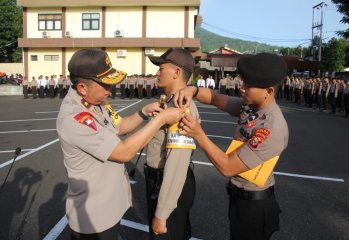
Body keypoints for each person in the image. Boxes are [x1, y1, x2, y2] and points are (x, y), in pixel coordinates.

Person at [56, 49, 184, 240]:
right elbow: (123, 153)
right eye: (105, 85)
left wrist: (144, 112)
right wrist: (161, 119)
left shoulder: (94, 102)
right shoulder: (75, 118)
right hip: (94, 217)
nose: (110, 90)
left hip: (108, 205)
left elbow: (120, 126)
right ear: (82, 87)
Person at [173, 53, 289, 240]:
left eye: (248, 85)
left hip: (254, 208)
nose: (242, 89)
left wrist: (198, 134)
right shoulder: (253, 107)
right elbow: (217, 99)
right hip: (239, 198)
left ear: (269, 91)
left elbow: (227, 166)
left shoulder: (271, 128)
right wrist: (193, 90)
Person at [145, 48, 199, 239]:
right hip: (159, 180)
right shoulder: (170, 101)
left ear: (176, 73)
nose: (157, 73)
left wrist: (162, 213)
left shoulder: (181, 107)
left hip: (167, 184)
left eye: (161, 68)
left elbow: (176, 163)